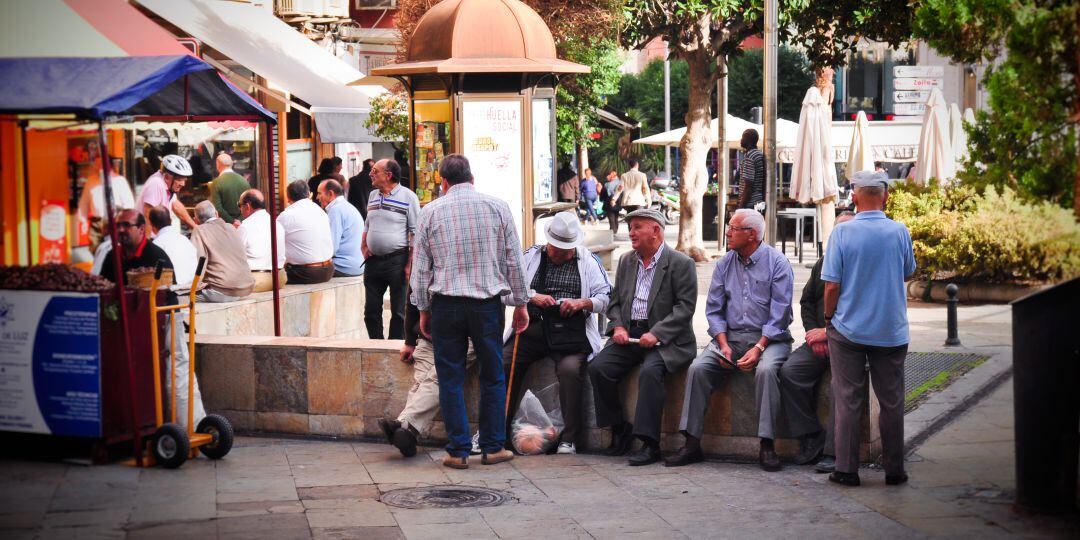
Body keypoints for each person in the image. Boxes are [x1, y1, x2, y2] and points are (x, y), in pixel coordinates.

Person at [411, 154, 528, 469]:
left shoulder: (430, 212)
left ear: (443, 182)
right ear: (472, 179)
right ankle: (492, 447)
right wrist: (521, 303)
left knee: (450, 378)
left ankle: (458, 451)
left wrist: (422, 308)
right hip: (486, 305)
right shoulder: (497, 207)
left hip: (446, 305)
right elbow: (513, 259)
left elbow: (421, 270)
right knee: (493, 375)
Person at [666, 209, 793, 470]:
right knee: (698, 369)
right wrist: (723, 345)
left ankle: (767, 445)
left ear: (752, 235)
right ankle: (691, 443)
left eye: (733, 228)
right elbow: (713, 309)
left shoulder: (778, 263)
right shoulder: (724, 263)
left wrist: (758, 348)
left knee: (767, 371)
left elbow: (779, 315)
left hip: (770, 339)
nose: (727, 232)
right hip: (731, 338)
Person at [823, 171, 916, 487]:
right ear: (886, 196)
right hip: (890, 330)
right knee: (892, 402)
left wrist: (828, 317)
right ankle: (894, 470)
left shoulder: (842, 233)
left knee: (847, 398)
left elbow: (832, 285)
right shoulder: (899, 231)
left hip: (848, 329)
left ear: (855, 196)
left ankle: (847, 470)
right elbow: (907, 273)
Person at [587, 208, 697, 466]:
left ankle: (649, 444)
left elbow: (685, 308)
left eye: (637, 227)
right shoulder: (627, 261)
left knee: (650, 372)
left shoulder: (681, 263)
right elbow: (614, 302)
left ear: (656, 231)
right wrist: (619, 328)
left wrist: (657, 332)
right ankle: (618, 428)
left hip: (668, 340)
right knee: (599, 367)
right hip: (631, 334)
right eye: (630, 227)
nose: (631, 232)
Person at [502, 212, 612, 454]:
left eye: (567, 250)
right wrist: (532, 296)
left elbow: (606, 297)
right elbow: (506, 291)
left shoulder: (588, 260)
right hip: (534, 328)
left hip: (571, 332)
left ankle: (569, 438)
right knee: (505, 361)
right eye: (557, 249)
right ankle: (496, 431)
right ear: (548, 242)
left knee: (570, 370)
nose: (562, 254)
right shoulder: (531, 256)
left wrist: (582, 303)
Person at [98, 209, 205, 429]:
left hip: (163, 319)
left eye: (126, 225)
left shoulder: (155, 255)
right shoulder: (112, 257)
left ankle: (187, 426)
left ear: (141, 229)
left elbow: (166, 290)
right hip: (130, 326)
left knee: (176, 371)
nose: (121, 230)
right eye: (118, 226)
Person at [780, 211, 856, 474]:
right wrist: (813, 332)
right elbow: (806, 301)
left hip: (849, 341)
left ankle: (834, 452)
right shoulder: (823, 262)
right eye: (838, 230)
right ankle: (810, 435)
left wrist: (828, 332)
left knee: (839, 386)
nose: (842, 236)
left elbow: (860, 309)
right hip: (820, 339)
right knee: (789, 371)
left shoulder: (860, 264)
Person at [377, 295, 477, 458]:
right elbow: (412, 299)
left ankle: (403, 425)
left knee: (437, 379)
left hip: (465, 338)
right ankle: (407, 434)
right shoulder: (420, 269)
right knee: (421, 382)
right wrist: (409, 340)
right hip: (429, 336)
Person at [362, 159, 420, 339]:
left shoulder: (409, 197)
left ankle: (394, 347)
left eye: (375, 171)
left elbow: (415, 232)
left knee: (398, 312)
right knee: (370, 311)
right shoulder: (373, 195)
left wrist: (410, 263)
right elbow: (367, 223)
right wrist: (364, 244)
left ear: (388, 175)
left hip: (397, 260)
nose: (371, 174)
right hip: (372, 261)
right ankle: (376, 345)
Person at [190, 201, 254, 303]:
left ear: (196, 220)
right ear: (216, 214)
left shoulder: (199, 230)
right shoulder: (231, 227)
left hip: (223, 291)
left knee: (181, 299)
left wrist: (191, 287)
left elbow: (198, 263)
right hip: (246, 289)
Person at [278, 181, 334, 285]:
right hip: (329, 270)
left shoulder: (286, 216)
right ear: (309, 194)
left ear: (288, 198)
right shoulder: (321, 211)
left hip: (305, 273)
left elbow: (273, 243)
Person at [236, 189, 287, 293]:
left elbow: (234, 256)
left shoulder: (245, 227)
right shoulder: (276, 223)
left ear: (248, 206)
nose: (240, 209)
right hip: (280, 278)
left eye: (239, 205)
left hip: (258, 280)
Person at [317, 179, 365, 277]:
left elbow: (331, 248)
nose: (317, 197)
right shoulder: (346, 206)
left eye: (319, 193)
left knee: (307, 269)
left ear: (330, 194)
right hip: (357, 265)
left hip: (345, 266)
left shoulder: (336, 210)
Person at [135, 154, 198, 231]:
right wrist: (148, 242)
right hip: (148, 237)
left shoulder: (168, 186)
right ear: (167, 177)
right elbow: (148, 216)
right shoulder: (156, 183)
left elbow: (176, 207)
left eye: (184, 180)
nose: (183, 184)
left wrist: (195, 228)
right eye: (179, 180)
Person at [148, 206, 197, 291]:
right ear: (170, 220)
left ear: (151, 225)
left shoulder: (155, 245)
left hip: (173, 291)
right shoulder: (185, 240)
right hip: (192, 287)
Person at [77, 159, 135, 224]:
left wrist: (125, 222)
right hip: (96, 222)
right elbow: (84, 202)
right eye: (97, 166)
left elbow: (129, 204)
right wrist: (83, 220)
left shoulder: (120, 181)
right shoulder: (91, 181)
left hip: (115, 221)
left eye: (100, 166)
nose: (98, 168)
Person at [210, 153, 249, 224]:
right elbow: (249, 204)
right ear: (231, 164)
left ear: (218, 164)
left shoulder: (216, 182)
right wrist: (239, 220)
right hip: (242, 224)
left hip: (225, 225)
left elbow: (217, 208)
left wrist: (232, 222)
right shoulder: (244, 181)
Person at [737, 129, 765, 210]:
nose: (741, 140)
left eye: (743, 137)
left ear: (748, 140)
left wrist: (741, 207)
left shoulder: (750, 157)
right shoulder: (759, 154)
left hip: (750, 204)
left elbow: (748, 187)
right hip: (758, 202)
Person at [602, 169, 623, 234]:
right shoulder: (620, 182)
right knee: (616, 217)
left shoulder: (607, 184)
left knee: (611, 218)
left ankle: (613, 231)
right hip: (618, 202)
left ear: (611, 176)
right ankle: (615, 229)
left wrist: (601, 199)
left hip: (609, 202)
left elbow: (603, 194)